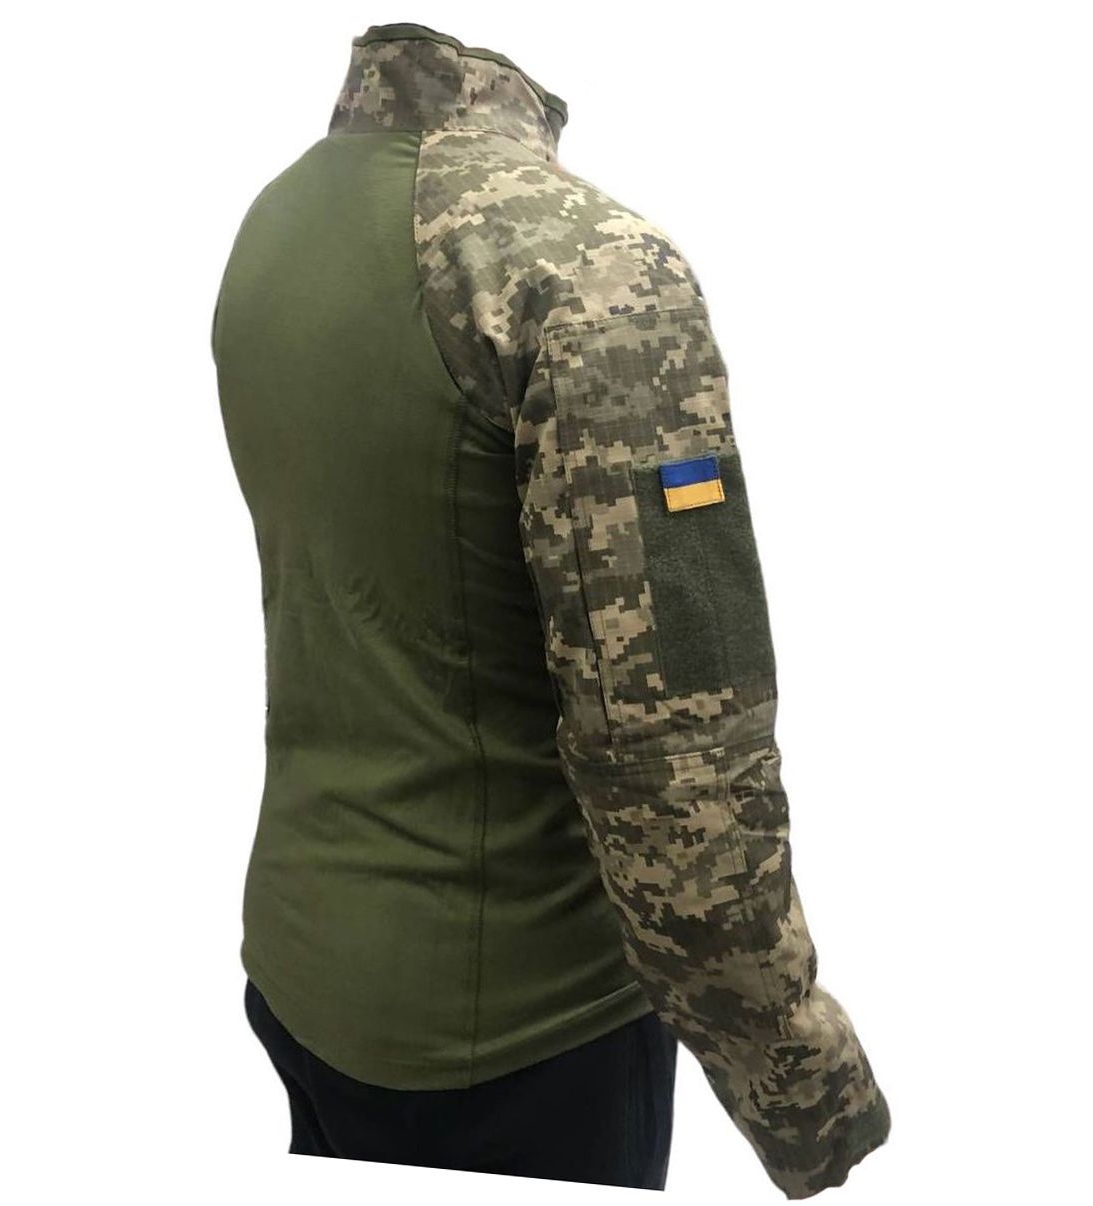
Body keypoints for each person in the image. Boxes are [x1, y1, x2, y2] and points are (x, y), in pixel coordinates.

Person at [211, 21, 890, 1197]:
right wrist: (801, 1085)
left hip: (304, 966)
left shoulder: (277, 220)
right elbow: (671, 746)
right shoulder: (584, 265)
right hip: (521, 1038)